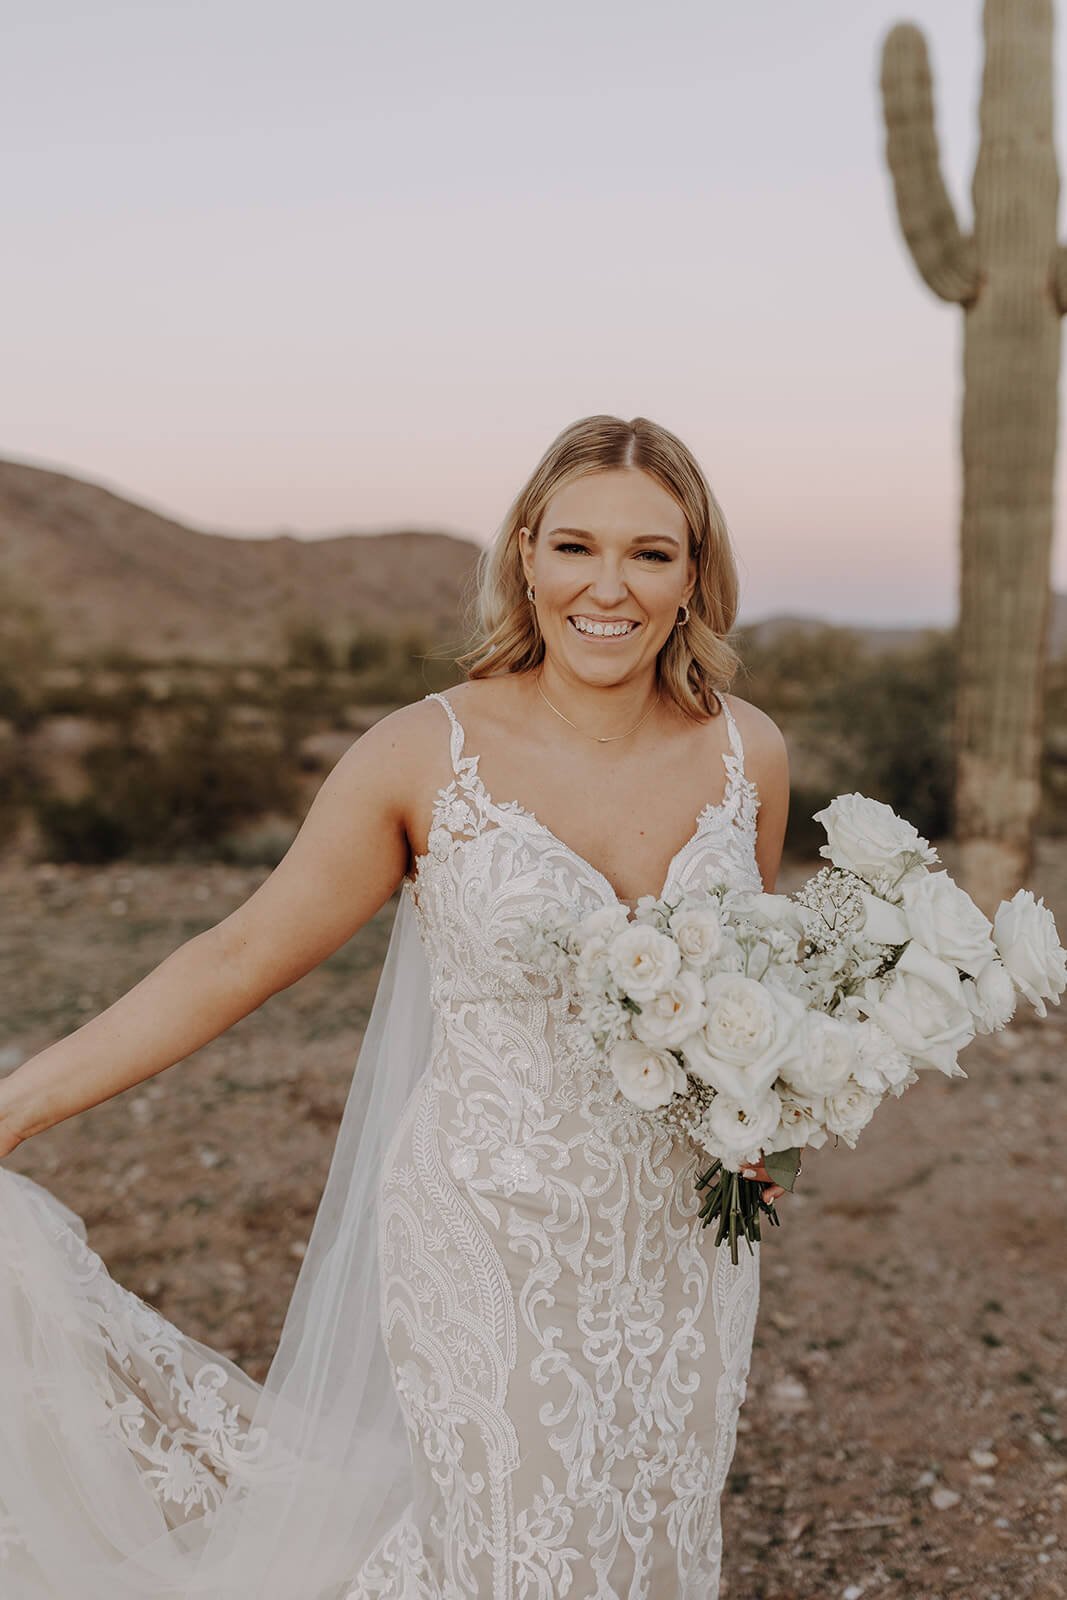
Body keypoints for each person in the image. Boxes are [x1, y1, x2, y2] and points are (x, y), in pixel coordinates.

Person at [0, 413, 791, 1599]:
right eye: (574, 546)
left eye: (650, 554)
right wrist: (15, 1106)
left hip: (678, 1244)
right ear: (525, 556)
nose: (607, 588)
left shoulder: (750, 753)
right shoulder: (420, 754)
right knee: (514, 1551)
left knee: (648, 1531)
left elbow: (751, 999)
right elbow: (240, 953)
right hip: (486, 1225)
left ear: (693, 576)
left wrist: (768, 1127)